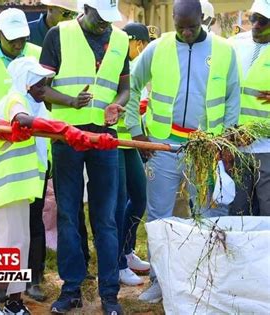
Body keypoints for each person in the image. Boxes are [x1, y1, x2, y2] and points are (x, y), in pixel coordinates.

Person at [125, 0, 240, 304]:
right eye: (180, 27)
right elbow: (132, 84)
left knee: (208, 214)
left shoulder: (225, 51)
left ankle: (206, 281)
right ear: (173, 20)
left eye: (192, 26)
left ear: (203, 19)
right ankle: (160, 282)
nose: (187, 33)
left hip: (205, 149)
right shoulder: (158, 48)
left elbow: (232, 100)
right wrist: (135, 128)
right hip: (162, 147)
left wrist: (225, 143)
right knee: (159, 216)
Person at [41, 0, 130, 313]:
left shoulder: (120, 39)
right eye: (100, 18)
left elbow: (125, 88)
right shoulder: (59, 35)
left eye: (110, 19)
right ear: (86, 8)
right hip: (67, 137)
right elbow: (39, 88)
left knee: (105, 218)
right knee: (67, 213)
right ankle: (71, 288)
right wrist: (70, 101)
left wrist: (117, 105)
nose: (106, 25)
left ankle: (109, 294)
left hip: (104, 138)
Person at [0, 56, 55, 315]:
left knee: (21, 242)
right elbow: (22, 121)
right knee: (5, 242)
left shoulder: (36, 105)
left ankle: (14, 299)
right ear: (26, 83)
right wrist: (59, 128)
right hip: (7, 185)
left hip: (23, 186)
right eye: (40, 84)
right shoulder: (15, 99)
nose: (44, 89)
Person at [116, 22, 151, 287]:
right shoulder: (117, 60)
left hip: (129, 143)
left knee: (139, 197)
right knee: (116, 206)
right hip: (115, 142)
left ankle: (127, 251)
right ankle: (116, 263)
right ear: (136, 42)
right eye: (143, 45)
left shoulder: (134, 68)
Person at [229, 0, 270, 216]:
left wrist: (256, 132)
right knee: (238, 211)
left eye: (263, 21)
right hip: (237, 147)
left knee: (266, 213)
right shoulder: (234, 45)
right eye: (254, 18)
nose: (255, 25)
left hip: (267, 149)